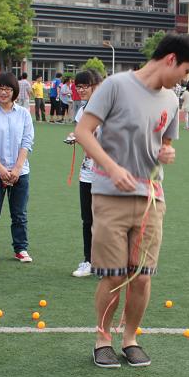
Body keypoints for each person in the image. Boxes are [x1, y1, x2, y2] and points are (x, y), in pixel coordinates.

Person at [74, 33, 189, 369]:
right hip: (110, 195)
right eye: (185, 71)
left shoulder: (171, 100)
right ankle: (103, 338)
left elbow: (165, 143)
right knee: (113, 275)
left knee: (142, 275)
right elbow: (84, 132)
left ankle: (130, 337)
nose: (184, 80)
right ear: (170, 59)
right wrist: (112, 168)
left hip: (151, 198)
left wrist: (167, 152)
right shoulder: (115, 86)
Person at [0, 72, 35, 264]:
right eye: (0, 89)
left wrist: (17, 168)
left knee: (19, 213)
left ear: (14, 92)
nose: (3, 92)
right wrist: (0, 168)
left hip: (20, 171)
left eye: (8, 89)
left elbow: (27, 141)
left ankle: (21, 248)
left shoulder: (24, 114)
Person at [68, 68, 104, 277]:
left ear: (95, 86)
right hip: (87, 173)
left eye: (85, 86)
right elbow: (84, 136)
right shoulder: (82, 111)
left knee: (105, 220)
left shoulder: (106, 110)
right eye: (78, 87)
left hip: (106, 173)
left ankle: (105, 262)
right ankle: (88, 261)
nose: (81, 90)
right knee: (87, 219)